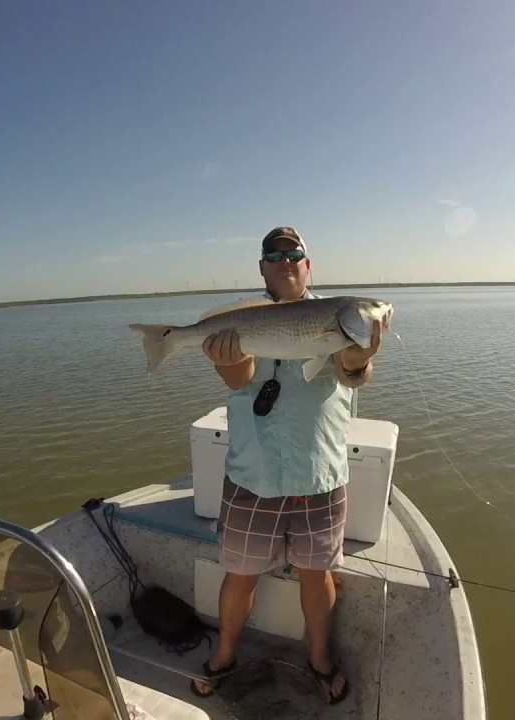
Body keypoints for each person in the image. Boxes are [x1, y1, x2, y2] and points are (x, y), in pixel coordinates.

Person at [191, 226, 381, 704]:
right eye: (274, 254)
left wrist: (360, 356)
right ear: (262, 267)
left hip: (319, 474)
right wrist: (225, 359)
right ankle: (224, 654)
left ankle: (318, 658)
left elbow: (353, 374)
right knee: (240, 574)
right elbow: (240, 380)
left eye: (294, 253)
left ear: (308, 264)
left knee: (317, 575)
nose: (285, 260)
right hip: (253, 476)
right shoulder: (244, 318)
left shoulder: (337, 316)